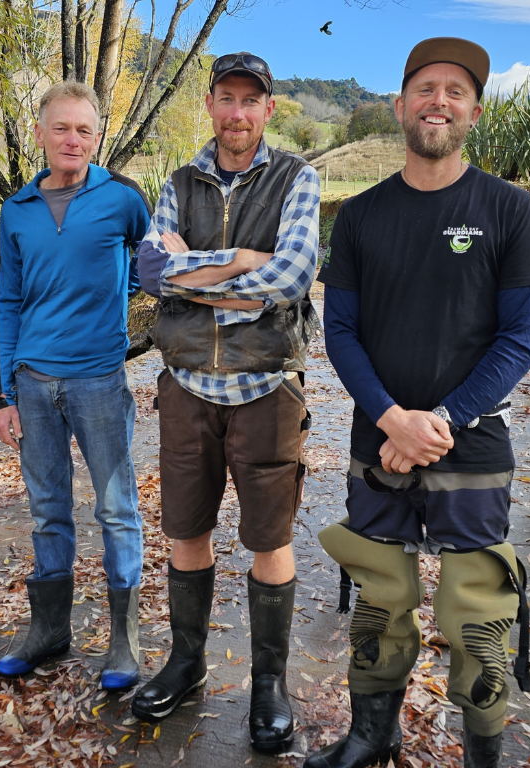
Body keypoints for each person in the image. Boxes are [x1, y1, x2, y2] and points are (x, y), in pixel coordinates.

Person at [305, 38, 530, 768]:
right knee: (380, 595)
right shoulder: (358, 217)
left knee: (479, 610)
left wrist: (439, 421)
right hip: (377, 441)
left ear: (474, 112)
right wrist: (392, 419)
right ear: (400, 106)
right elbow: (341, 330)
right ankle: (371, 735)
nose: (437, 101)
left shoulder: (510, 210)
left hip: (470, 441)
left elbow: (520, 341)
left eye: (454, 91)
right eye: (424, 88)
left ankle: (482, 751)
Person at [132, 52, 321, 755]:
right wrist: (242, 265)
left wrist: (216, 272)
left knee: (270, 539)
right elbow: (150, 271)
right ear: (209, 104)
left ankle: (268, 682)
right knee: (186, 528)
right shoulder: (178, 183)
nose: (238, 113)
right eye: (227, 99)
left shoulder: (299, 177)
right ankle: (187, 662)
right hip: (187, 387)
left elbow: (293, 273)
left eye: (252, 100)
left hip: (267, 387)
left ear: (268, 110)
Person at [0, 82, 151, 690]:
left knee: (116, 508)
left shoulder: (121, 199)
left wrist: (117, 300)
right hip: (33, 382)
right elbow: (7, 300)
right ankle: (50, 630)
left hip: (99, 381)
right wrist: (4, 393)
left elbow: (150, 261)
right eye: (62, 128)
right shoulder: (17, 210)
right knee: (48, 508)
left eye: (84, 130)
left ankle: (124, 640)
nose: (73, 140)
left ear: (97, 137)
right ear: (41, 134)